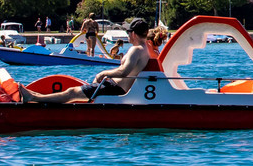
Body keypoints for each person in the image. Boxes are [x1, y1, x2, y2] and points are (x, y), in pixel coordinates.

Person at [19, 18, 153, 104]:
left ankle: (33, 98)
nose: (128, 35)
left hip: (114, 89)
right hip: (114, 86)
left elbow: (125, 71)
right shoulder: (144, 49)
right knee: (74, 92)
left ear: (133, 34)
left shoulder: (136, 50)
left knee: (72, 93)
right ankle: (36, 96)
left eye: (129, 32)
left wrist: (103, 74)